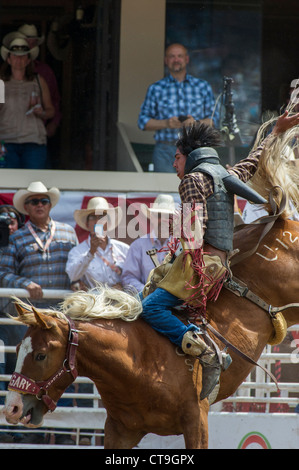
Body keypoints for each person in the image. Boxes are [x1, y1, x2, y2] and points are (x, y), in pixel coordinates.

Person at [141, 111, 299, 399]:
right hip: (220, 265)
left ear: (188, 157)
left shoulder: (191, 180)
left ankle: (203, 350)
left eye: (177, 158)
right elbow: (252, 163)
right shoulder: (225, 175)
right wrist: (275, 130)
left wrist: (178, 256)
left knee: (149, 308)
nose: (174, 163)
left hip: (199, 266)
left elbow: (193, 235)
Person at [138, 43, 219, 173]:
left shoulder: (202, 87)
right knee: (163, 191)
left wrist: (195, 124)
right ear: (166, 60)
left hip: (195, 150)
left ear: (186, 59)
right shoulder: (156, 88)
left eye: (180, 56)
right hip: (165, 151)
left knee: (196, 189)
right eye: (172, 56)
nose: (176, 60)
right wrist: (166, 123)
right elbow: (143, 122)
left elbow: (214, 120)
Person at [0, 35, 55, 168]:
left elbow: (50, 111)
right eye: (15, 55)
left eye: (23, 55)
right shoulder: (1, 83)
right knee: (9, 183)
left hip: (33, 141)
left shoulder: (38, 81)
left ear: (28, 60)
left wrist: (41, 113)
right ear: (8, 59)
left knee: (32, 184)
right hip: (7, 140)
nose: (19, 59)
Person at [66, 197, 129, 291]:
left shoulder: (124, 249)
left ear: (108, 222)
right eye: (92, 217)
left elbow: (134, 276)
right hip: (93, 303)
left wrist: (123, 285)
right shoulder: (77, 251)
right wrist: (91, 252)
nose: (97, 221)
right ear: (87, 224)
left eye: (102, 217)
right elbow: (73, 276)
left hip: (120, 303)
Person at [17, 24, 62, 143]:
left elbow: (54, 99)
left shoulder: (44, 72)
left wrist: (54, 122)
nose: (30, 46)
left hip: (36, 134)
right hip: (11, 135)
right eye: (28, 42)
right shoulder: (4, 76)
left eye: (34, 43)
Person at [121, 194, 176, 292]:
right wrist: (146, 291)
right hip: (146, 303)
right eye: (159, 215)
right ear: (152, 217)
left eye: (168, 216)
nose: (163, 220)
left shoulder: (180, 246)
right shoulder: (138, 246)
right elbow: (128, 278)